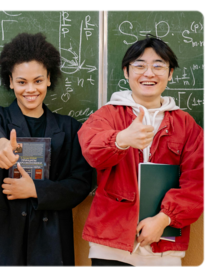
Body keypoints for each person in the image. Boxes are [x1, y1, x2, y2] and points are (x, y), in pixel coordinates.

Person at [0, 33, 93, 269]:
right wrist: (0, 147)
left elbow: (82, 183)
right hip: (4, 237)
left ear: (49, 79)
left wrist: (36, 190)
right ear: (10, 82)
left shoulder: (70, 128)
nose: (30, 89)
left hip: (51, 240)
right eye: (22, 82)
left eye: (38, 81)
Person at [78, 35, 206, 269]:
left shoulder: (187, 126)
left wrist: (164, 219)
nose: (149, 73)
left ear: (170, 74)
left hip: (164, 249)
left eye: (158, 66)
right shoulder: (106, 115)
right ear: (126, 72)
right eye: (139, 65)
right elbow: (91, 152)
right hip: (111, 247)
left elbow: (196, 184)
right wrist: (120, 139)